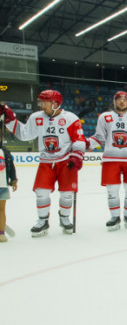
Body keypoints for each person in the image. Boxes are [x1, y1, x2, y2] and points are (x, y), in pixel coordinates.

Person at [3, 91, 85, 236]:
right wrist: (10, 120)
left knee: (67, 194)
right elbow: (24, 134)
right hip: (46, 161)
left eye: (44, 102)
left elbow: (79, 139)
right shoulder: (36, 117)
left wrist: (77, 156)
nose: (41, 105)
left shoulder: (71, 118)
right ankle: (42, 221)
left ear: (55, 103)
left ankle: (64, 218)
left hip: (66, 161)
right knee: (41, 193)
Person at [86, 91, 127, 230]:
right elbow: (99, 137)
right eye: (119, 99)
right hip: (110, 159)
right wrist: (86, 144)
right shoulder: (105, 117)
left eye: (125, 99)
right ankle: (114, 216)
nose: (122, 102)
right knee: (112, 190)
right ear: (114, 101)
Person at [1, 141, 18, 242]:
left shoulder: (5, 151)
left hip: (2, 185)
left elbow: (11, 166)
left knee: (1, 209)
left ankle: (1, 233)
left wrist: (13, 180)